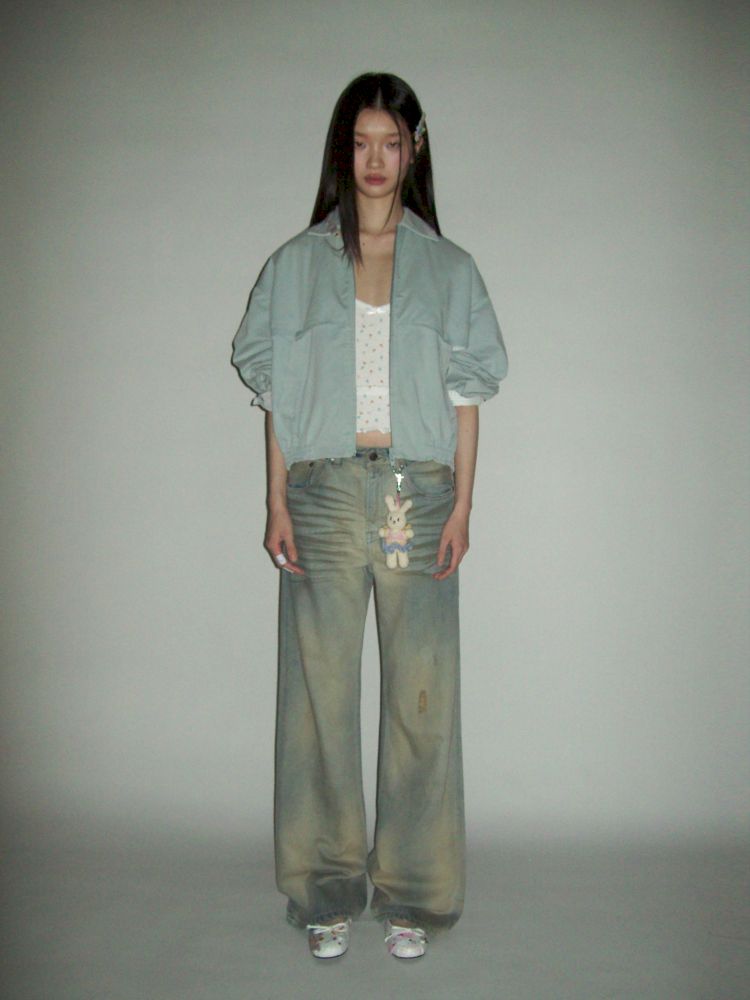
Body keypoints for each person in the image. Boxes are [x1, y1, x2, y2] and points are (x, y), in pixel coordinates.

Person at [231, 72, 508, 960]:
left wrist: (463, 506)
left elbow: (468, 399)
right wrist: (276, 499)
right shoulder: (295, 265)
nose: (376, 160)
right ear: (341, 151)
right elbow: (277, 397)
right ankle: (324, 887)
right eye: (361, 143)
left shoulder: (450, 269)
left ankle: (415, 894)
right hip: (319, 495)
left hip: (417, 497)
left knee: (422, 698)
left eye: (392, 142)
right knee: (319, 697)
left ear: (414, 150)